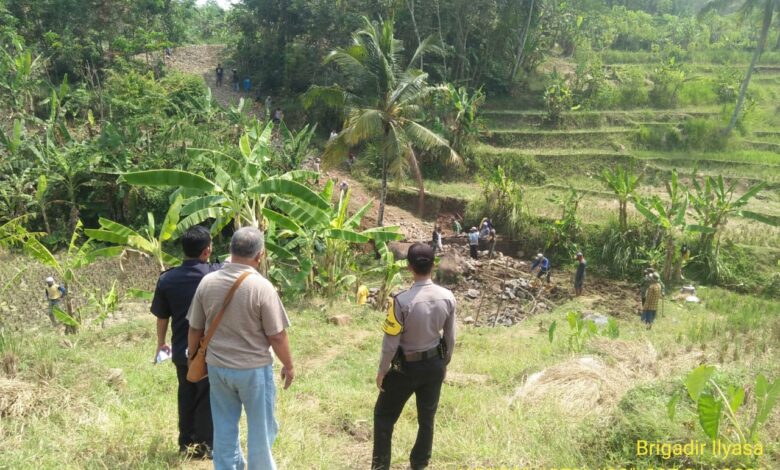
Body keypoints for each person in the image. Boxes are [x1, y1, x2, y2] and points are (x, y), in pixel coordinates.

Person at [187, 227, 294, 470]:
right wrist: (289, 365)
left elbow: (195, 328)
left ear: (231, 250)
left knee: (223, 427)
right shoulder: (261, 287)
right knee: (260, 430)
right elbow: (277, 335)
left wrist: (193, 355)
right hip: (253, 371)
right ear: (260, 255)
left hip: (218, 368)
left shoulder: (208, 282)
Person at [372, 243, 456, 470]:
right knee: (426, 419)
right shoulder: (448, 297)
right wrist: (444, 363)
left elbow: (391, 343)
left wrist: (382, 372)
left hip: (404, 369)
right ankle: (419, 464)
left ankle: (380, 467)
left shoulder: (401, 301)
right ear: (434, 265)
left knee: (383, 416)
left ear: (409, 267)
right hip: (433, 365)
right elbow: (450, 337)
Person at [151, 226, 221, 458]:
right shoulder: (215, 275)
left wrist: (161, 343)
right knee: (207, 397)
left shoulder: (167, 279)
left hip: (181, 350)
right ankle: (205, 445)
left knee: (186, 392)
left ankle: (186, 443)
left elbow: (162, 317)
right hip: (210, 350)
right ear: (207, 250)